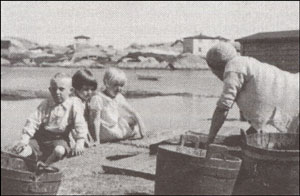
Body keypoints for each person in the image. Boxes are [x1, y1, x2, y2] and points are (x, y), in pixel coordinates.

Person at [205, 42, 299, 147]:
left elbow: (222, 108)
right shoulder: (249, 63)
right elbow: (263, 117)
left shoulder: (232, 67)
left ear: (217, 68)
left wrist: (210, 139)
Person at [12, 72, 88, 165]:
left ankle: (45, 165)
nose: (57, 92)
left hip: (59, 139)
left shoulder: (74, 104)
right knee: (21, 148)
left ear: (71, 91)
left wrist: (80, 142)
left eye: (61, 89)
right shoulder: (46, 103)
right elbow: (33, 121)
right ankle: (26, 163)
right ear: (50, 90)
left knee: (59, 151)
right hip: (40, 138)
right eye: (54, 89)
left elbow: (80, 124)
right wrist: (24, 139)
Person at [88, 67, 146, 144]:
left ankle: (128, 131)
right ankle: (129, 132)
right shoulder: (98, 98)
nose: (119, 88)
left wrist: (141, 124)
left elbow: (133, 112)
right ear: (106, 83)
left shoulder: (117, 96)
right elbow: (96, 120)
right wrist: (96, 140)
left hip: (111, 127)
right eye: (115, 85)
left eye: (121, 85)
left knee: (132, 119)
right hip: (106, 132)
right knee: (131, 126)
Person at [71, 68, 98, 146]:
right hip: (74, 130)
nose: (89, 92)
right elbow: (74, 124)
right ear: (76, 89)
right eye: (86, 89)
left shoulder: (85, 100)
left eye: (92, 89)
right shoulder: (74, 101)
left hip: (81, 129)